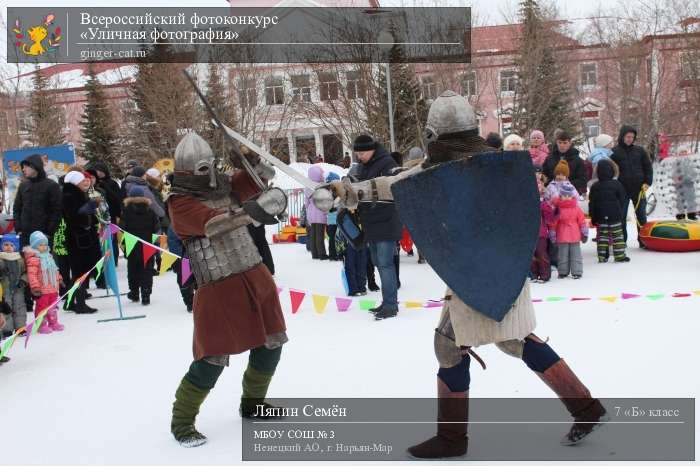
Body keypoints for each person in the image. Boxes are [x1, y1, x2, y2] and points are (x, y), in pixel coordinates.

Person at [324, 90, 606, 458]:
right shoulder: (492, 163)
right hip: (494, 270)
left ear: (432, 134)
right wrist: (349, 190)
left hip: (483, 272)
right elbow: (400, 181)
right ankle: (585, 407)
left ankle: (453, 439)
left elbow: (398, 184)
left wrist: (349, 190)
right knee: (513, 339)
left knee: (455, 346)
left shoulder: (455, 169)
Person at [167, 132, 288, 448]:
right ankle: (182, 422)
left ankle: (253, 404)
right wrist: (254, 210)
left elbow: (263, 179)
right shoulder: (179, 203)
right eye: (200, 169)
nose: (208, 174)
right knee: (212, 357)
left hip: (255, 272)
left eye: (210, 167)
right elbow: (214, 224)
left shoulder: (227, 186)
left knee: (272, 343)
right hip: (218, 286)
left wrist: (248, 161)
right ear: (185, 172)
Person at [353, 134, 403, 320]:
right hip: (371, 222)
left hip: (386, 221)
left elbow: (393, 188)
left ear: (372, 149)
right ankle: (386, 301)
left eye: (363, 152)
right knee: (377, 262)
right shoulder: (363, 165)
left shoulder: (387, 163)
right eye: (357, 153)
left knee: (385, 263)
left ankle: (391, 305)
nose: (360, 156)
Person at [61, 171, 98, 314]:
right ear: (75, 182)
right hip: (78, 239)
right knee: (80, 272)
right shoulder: (70, 196)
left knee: (79, 272)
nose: (85, 183)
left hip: (81, 238)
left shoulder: (75, 194)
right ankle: (80, 304)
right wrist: (87, 210)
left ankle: (70, 302)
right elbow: (74, 217)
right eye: (82, 181)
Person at [610, 125, 653, 246]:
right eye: (628, 136)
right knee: (621, 216)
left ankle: (643, 240)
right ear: (622, 136)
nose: (630, 139)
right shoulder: (614, 152)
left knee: (641, 215)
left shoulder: (640, 151)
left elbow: (648, 167)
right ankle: (621, 241)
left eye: (632, 137)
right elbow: (610, 170)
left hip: (639, 189)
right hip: (621, 189)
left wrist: (647, 182)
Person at [120, 186, 161, 305]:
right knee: (147, 270)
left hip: (131, 244)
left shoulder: (126, 211)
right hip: (147, 245)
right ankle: (146, 294)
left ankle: (134, 292)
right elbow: (157, 228)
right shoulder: (150, 211)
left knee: (133, 269)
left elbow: (121, 229)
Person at [12, 154, 62, 248]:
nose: (23, 169)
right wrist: (18, 228)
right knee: (27, 262)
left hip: (43, 236)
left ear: (35, 166)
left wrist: (49, 232)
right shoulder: (23, 185)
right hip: (25, 235)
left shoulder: (52, 186)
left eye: (26, 166)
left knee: (44, 261)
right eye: (22, 167)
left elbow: (57, 211)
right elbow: (17, 208)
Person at [589, 159, 630, 263]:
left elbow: (592, 203)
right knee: (617, 236)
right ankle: (619, 256)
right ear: (612, 170)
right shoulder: (617, 184)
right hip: (615, 215)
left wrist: (593, 217)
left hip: (601, 216)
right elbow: (623, 199)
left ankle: (602, 256)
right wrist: (620, 212)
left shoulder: (595, 186)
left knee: (602, 237)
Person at [24, 231, 63, 333]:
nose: (44, 247)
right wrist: (35, 286)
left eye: (45, 244)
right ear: (34, 246)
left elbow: (54, 269)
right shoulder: (33, 259)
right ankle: (41, 325)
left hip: (53, 288)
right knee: (42, 308)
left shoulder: (49, 256)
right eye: (41, 245)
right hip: (42, 289)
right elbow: (32, 274)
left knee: (53, 307)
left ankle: (53, 323)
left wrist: (59, 278)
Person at [86, 161, 123, 265]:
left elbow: (117, 198)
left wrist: (106, 187)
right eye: (97, 171)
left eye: (100, 171)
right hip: (98, 216)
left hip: (111, 214)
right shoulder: (93, 185)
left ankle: (113, 259)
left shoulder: (112, 183)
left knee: (112, 238)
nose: (99, 173)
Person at [551, 183, 589, 279]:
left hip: (574, 235)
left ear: (572, 196)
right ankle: (563, 271)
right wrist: (553, 232)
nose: (566, 197)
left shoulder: (576, 208)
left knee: (575, 254)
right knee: (562, 255)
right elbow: (554, 222)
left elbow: (582, 221)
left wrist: (584, 231)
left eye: (568, 195)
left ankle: (577, 271)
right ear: (560, 196)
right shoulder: (558, 209)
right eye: (564, 195)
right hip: (562, 235)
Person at [542, 131, 587, 196]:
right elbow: (544, 174)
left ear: (570, 143)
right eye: (559, 142)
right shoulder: (550, 158)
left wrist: (566, 183)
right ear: (556, 142)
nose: (562, 145)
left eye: (565, 143)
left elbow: (583, 180)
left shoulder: (577, 160)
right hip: (552, 193)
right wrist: (551, 183)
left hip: (570, 195)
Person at [0, 234, 27, 336]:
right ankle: (6, 329)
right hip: (5, 289)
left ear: (15, 246)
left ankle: (20, 327)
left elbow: (25, 272)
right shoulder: (1, 259)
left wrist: (23, 280)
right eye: (5, 244)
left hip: (17, 289)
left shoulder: (19, 259)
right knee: (6, 308)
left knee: (19, 307)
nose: (8, 247)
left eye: (11, 245)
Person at [166, 224, 196, 312]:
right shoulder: (174, 225)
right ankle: (190, 303)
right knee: (185, 280)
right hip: (184, 257)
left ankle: (199, 301)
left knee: (198, 280)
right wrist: (177, 259)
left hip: (194, 254)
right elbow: (173, 242)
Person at [531, 173, 554, 283]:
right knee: (531, 255)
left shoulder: (543, 203)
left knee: (542, 254)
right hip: (530, 233)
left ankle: (545, 275)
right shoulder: (527, 203)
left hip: (541, 233)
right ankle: (534, 274)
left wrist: (544, 205)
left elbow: (549, 217)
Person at [305, 165, 328, 260]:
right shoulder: (322, 186)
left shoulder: (307, 187)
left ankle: (314, 253)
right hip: (320, 213)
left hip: (311, 213)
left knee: (313, 234)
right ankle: (321, 254)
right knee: (320, 235)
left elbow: (306, 203)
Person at [325, 172, 341, 261]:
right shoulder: (335, 193)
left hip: (331, 219)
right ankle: (336, 254)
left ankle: (333, 254)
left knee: (332, 237)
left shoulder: (326, 192)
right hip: (335, 219)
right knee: (336, 237)